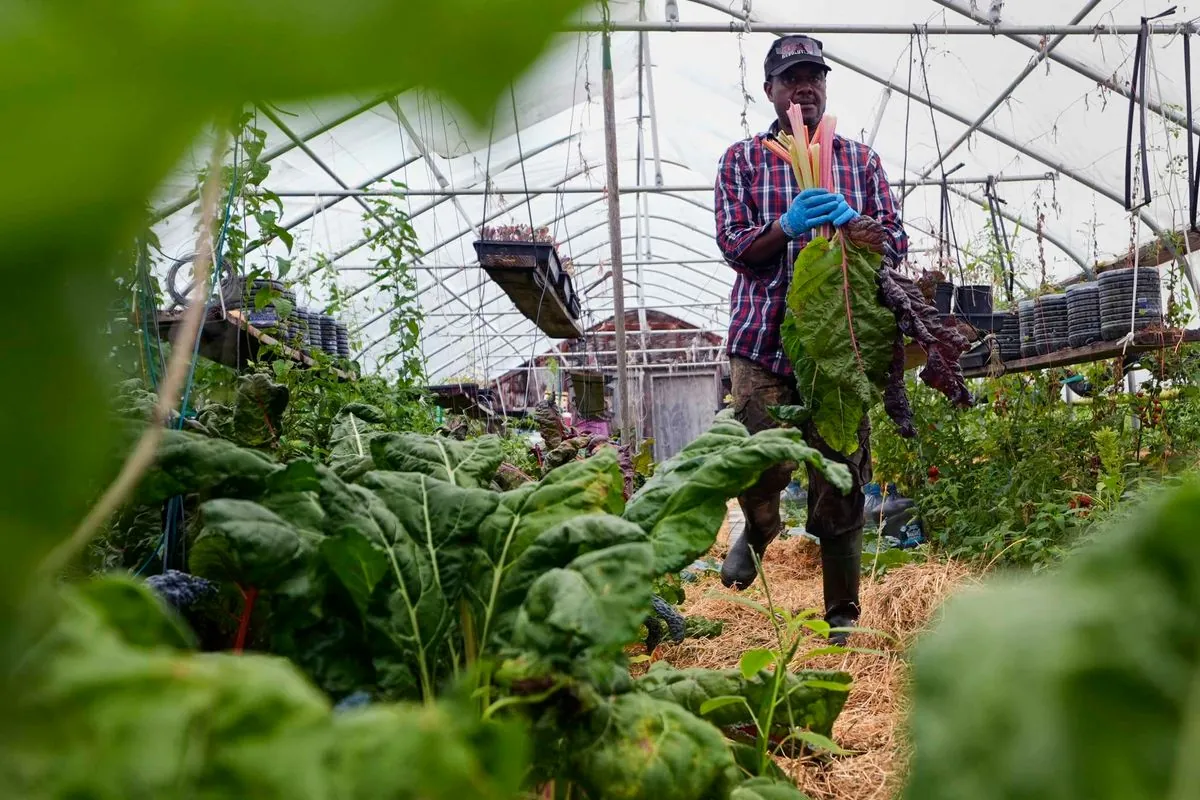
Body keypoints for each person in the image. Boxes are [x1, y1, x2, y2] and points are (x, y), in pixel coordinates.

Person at [714, 35, 908, 643]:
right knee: (757, 460)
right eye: (791, 77)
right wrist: (785, 224)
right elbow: (735, 246)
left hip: (839, 343)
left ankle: (842, 615)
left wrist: (858, 225)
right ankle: (760, 528)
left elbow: (896, 245)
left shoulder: (861, 162)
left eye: (814, 76)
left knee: (842, 470)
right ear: (770, 91)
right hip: (763, 340)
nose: (805, 86)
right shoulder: (742, 160)